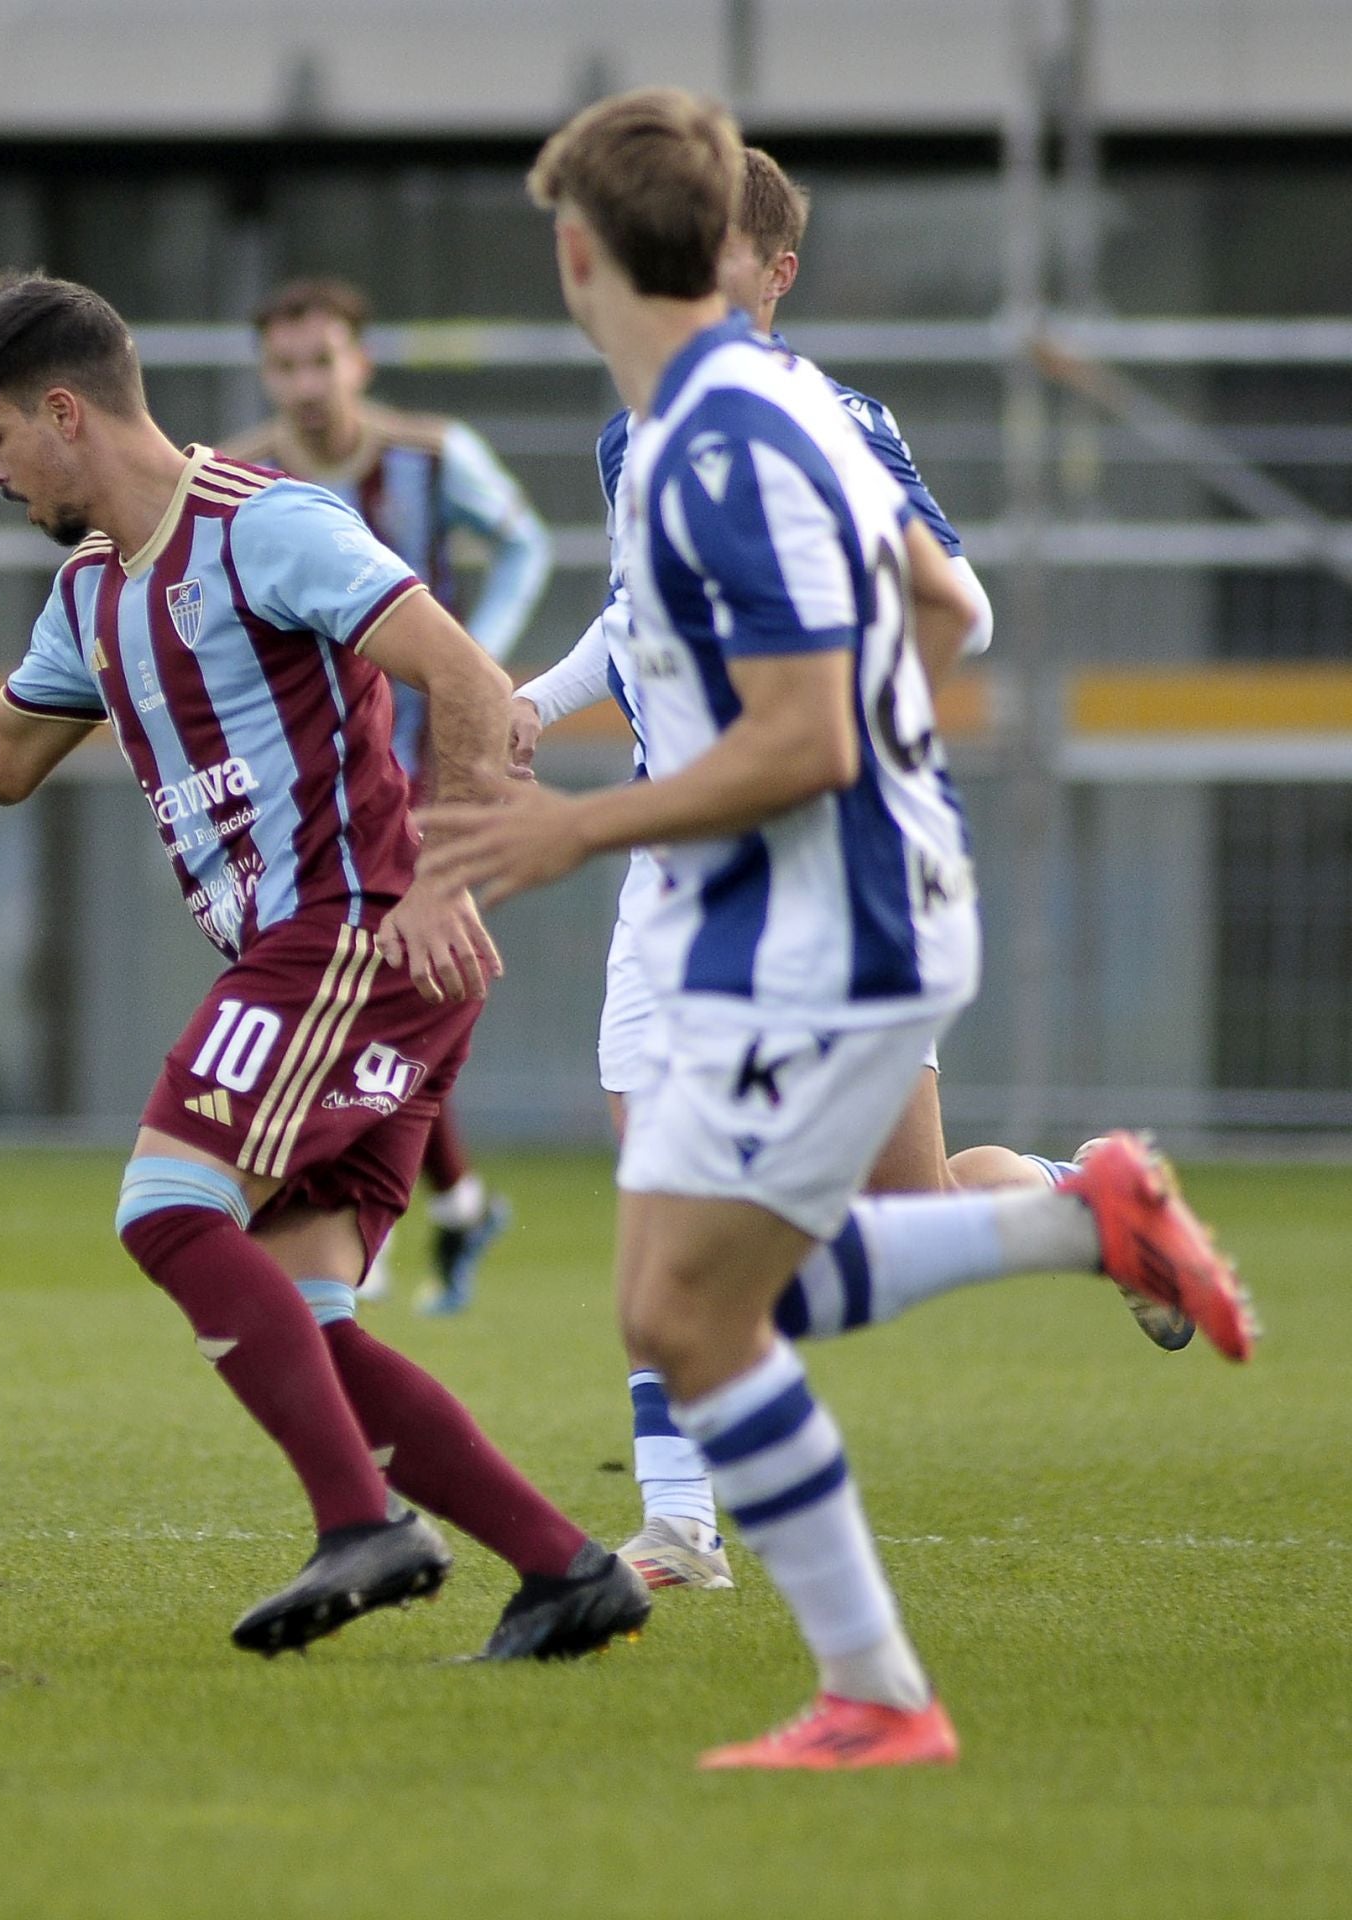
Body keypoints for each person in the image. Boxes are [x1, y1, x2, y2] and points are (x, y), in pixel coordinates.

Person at [420, 89, 1254, 1768]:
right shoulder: (710, 419)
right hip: (780, 883)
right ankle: (848, 1665)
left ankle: (1071, 1232)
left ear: (582, 252)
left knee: (722, 1297)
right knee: (689, 1296)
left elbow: (822, 716)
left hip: (812, 896)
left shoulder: (733, 437)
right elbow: (925, 609)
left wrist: (588, 819)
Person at [0, 270, 649, 1662]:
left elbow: (465, 677)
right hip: (346, 959)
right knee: (312, 1317)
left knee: (166, 1203)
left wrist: (442, 873)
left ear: (63, 413)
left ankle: (360, 1527)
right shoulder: (92, 595)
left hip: (351, 933)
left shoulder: (268, 528)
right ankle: (567, 1570)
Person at [223, 278, 552, 1314]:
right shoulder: (242, 476)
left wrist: (475, 656)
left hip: (428, 775)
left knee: (403, 981)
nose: (306, 383)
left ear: (359, 362)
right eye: (286, 366)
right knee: (396, 989)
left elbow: (526, 543)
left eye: (323, 360)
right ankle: (448, 1206)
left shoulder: (429, 454)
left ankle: (368, 1227)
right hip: (303, 793)